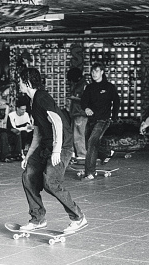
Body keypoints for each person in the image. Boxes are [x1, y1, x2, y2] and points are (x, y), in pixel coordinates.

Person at [18, 67, 87, 233]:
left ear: (27, 82)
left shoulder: (42, 97)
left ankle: (78, 217)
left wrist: (57, 150)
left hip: (62, 145)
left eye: (20, 81)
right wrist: (29, 155)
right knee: (28, 176)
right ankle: (38, 218)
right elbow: (37, 131)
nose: (18, 84)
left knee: (51, 182)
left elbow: (57, 121)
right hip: (46, 145)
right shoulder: (32, 101)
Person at [80, 62, 120, 180]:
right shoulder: (89, 87)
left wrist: (114, 116)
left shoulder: (109, 87)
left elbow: (116, 101)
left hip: (103, 120)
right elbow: (83, 102)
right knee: (91, 144)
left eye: (96, 71)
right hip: (91, 120)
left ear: (102, 72)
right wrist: (86, 108)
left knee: (92, 142)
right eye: (92, 72)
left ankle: (90, 173)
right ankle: (106, 153)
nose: (94, 74)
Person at [67, 67, 87, 161]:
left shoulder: (82, 85)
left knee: (78, 135)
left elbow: (85, 99)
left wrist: (73, 98)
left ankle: (82, 154)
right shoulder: (80, 84)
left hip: (80, 113)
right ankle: (77, 153)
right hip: (76, 113)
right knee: (75, 134)